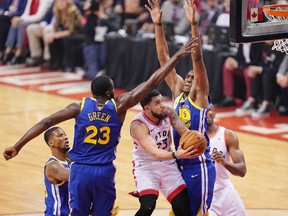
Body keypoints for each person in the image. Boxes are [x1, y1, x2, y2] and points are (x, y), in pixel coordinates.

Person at [3, 36, 197, 216]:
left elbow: (46, 123)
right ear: (111, 92)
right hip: (104, 171)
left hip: (80, 170)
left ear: (92, 92)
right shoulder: (119, 105)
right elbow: (153, 80)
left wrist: (18, 146)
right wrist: (178, 56)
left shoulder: (78, 107)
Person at [146, 0, 215, 215]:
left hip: (199, 165)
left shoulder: (201, 98)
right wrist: (158, 25)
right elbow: (164, 58)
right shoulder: (177, 91)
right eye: (187, 75)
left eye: (193, 77)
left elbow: (198, 57)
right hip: (180, 163)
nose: (188, 78)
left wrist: (193, 24)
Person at [131, 89, 201, 216]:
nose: (163, 105)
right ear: (147, 108)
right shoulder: (138, 125)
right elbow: (154, 152)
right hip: (146, 166)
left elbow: (185, 132)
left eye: (162, 100)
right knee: (148, 206)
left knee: (183, 207)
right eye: (157, 103)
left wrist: (197, 141)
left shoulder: (168, 112)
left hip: (167, 164)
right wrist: (176, 154)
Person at [207, 105, 247, 216]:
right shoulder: (193, 138)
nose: (206, 114)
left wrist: (225, 163)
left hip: (226, 191)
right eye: (203, 111)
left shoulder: (228, 135)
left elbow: (242, 170)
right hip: (206, 196)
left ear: (214, 114)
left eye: (209, 111)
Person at [43, 126, 71, 216]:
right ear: (51, 143)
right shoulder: (52, 166)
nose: (65, 137)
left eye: (65, 135)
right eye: (60, 135)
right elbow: (74, 176)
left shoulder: (69, 161)